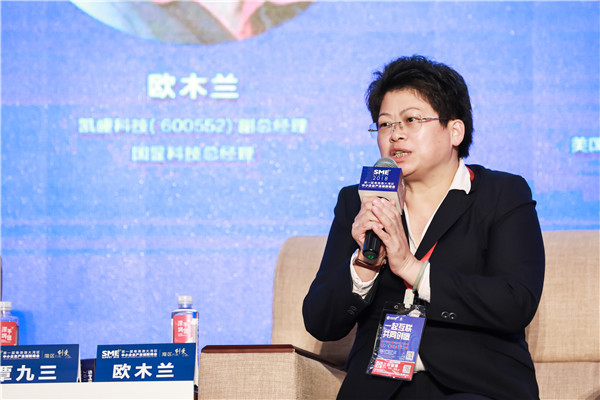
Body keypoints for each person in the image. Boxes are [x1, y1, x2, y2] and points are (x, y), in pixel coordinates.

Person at [302, 55, 545, 399]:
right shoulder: (360, 201)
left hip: (475, 387)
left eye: (411, 120)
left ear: (455, 131)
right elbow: (321, 323)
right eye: (384, 124)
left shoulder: (502, 194)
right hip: (379, 389)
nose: (395, 134)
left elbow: (514, 302)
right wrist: (365, 264)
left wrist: (413, 270)